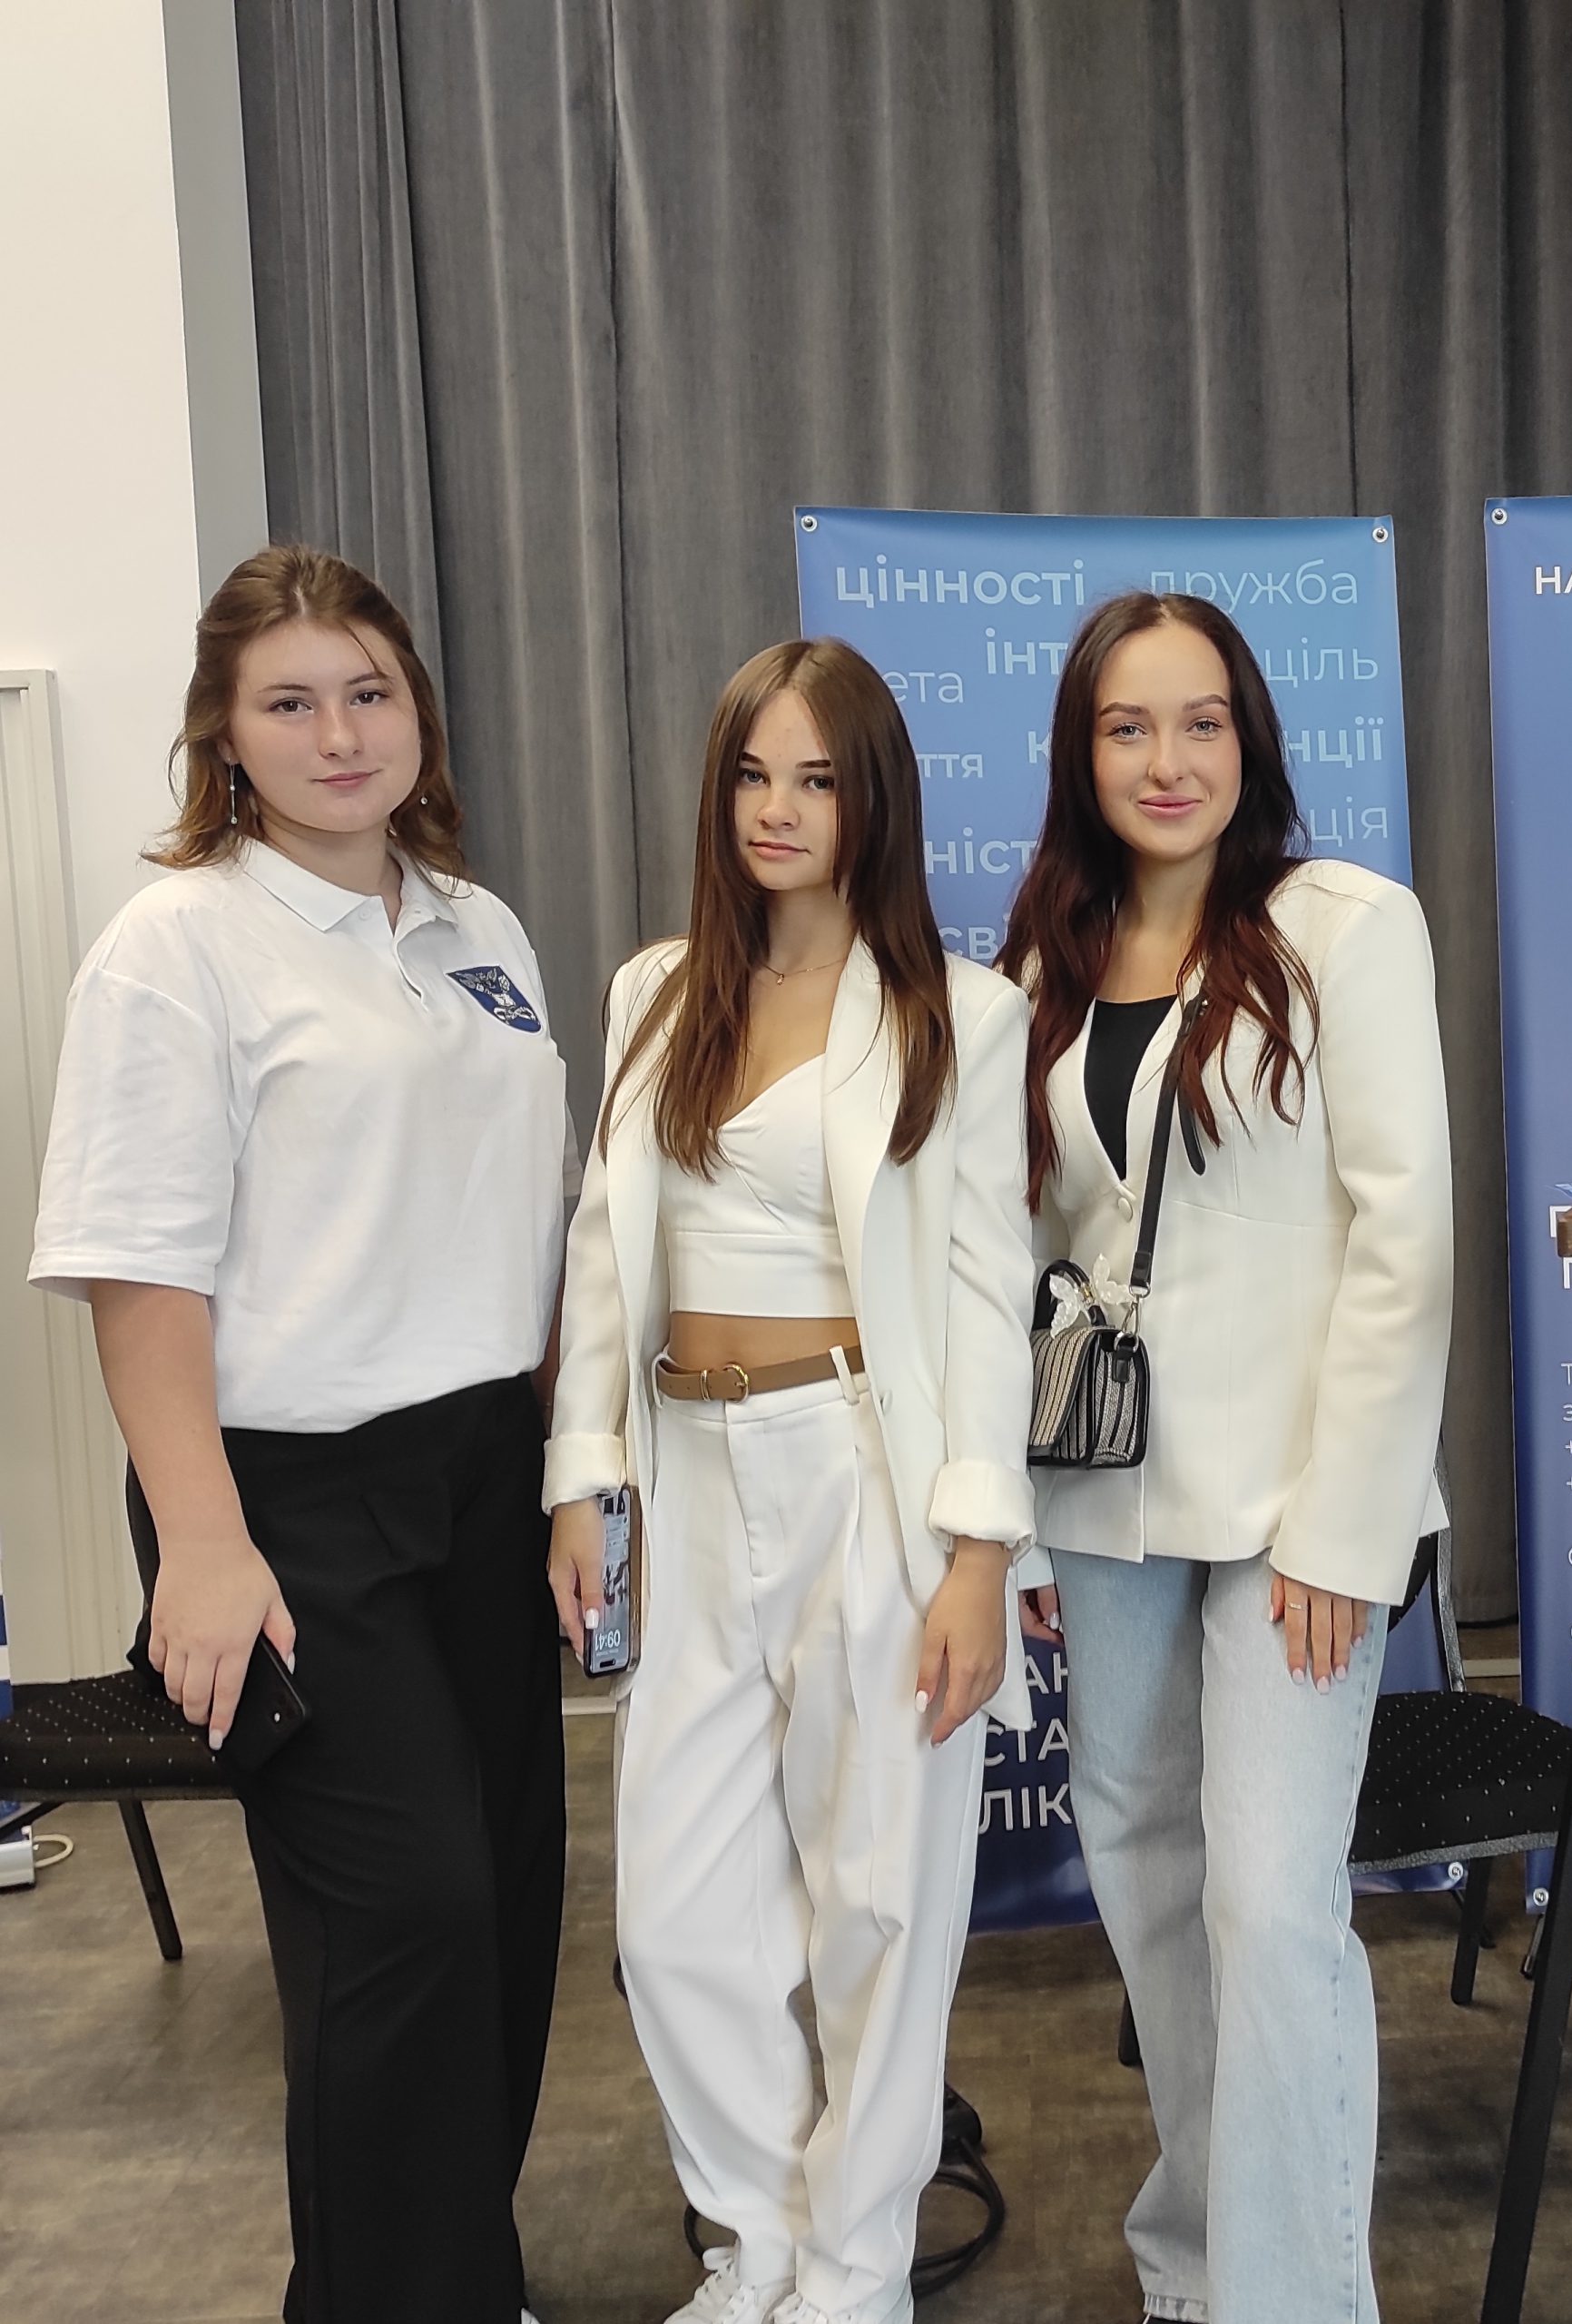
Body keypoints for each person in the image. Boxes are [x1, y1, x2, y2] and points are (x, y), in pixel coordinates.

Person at [29, 547, 571, 2323]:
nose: (340, 734)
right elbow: (137, 1269)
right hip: (285, 1501)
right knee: (403, 1921)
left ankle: (455, 2272)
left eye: (369, 692)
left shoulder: (477, 929)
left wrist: (570, 1479)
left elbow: (522, 1228)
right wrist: (199, 1539)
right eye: (289, 701)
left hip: (487, 1469)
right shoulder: (176, 946)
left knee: (506, 1901)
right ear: (224, 734)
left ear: (419, 710)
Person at [545, 637, 1037, 2324]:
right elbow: (603, 1250)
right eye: (753, 774)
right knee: (680, 1917)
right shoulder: (653, 992)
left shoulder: (959, 1011)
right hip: (688, 1474)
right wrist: (581, 1476)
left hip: (862, 1474)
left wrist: (978, 1551)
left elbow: (987, 1297)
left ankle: (854, 2271)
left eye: (817, 779)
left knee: (879, 1902)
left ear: (872, 797)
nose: (778, 808)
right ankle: (753, 2244)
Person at [997, 590, 1454, 2324]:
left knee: (1269, 1906)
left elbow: (1405, 1237)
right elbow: (1022, 1248)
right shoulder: (1043, 958)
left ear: (1249, 736)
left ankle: (1298, 2298)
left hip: (1293, 1505)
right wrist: (1013, 1528)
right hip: (1104, 1493)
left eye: (1201, 722)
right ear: (1082, 752)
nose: (1168, 759)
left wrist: (1350, 1524)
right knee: (1152, 1889)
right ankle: (1196, 2263)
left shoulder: (1346, 927)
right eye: (1129, 727)